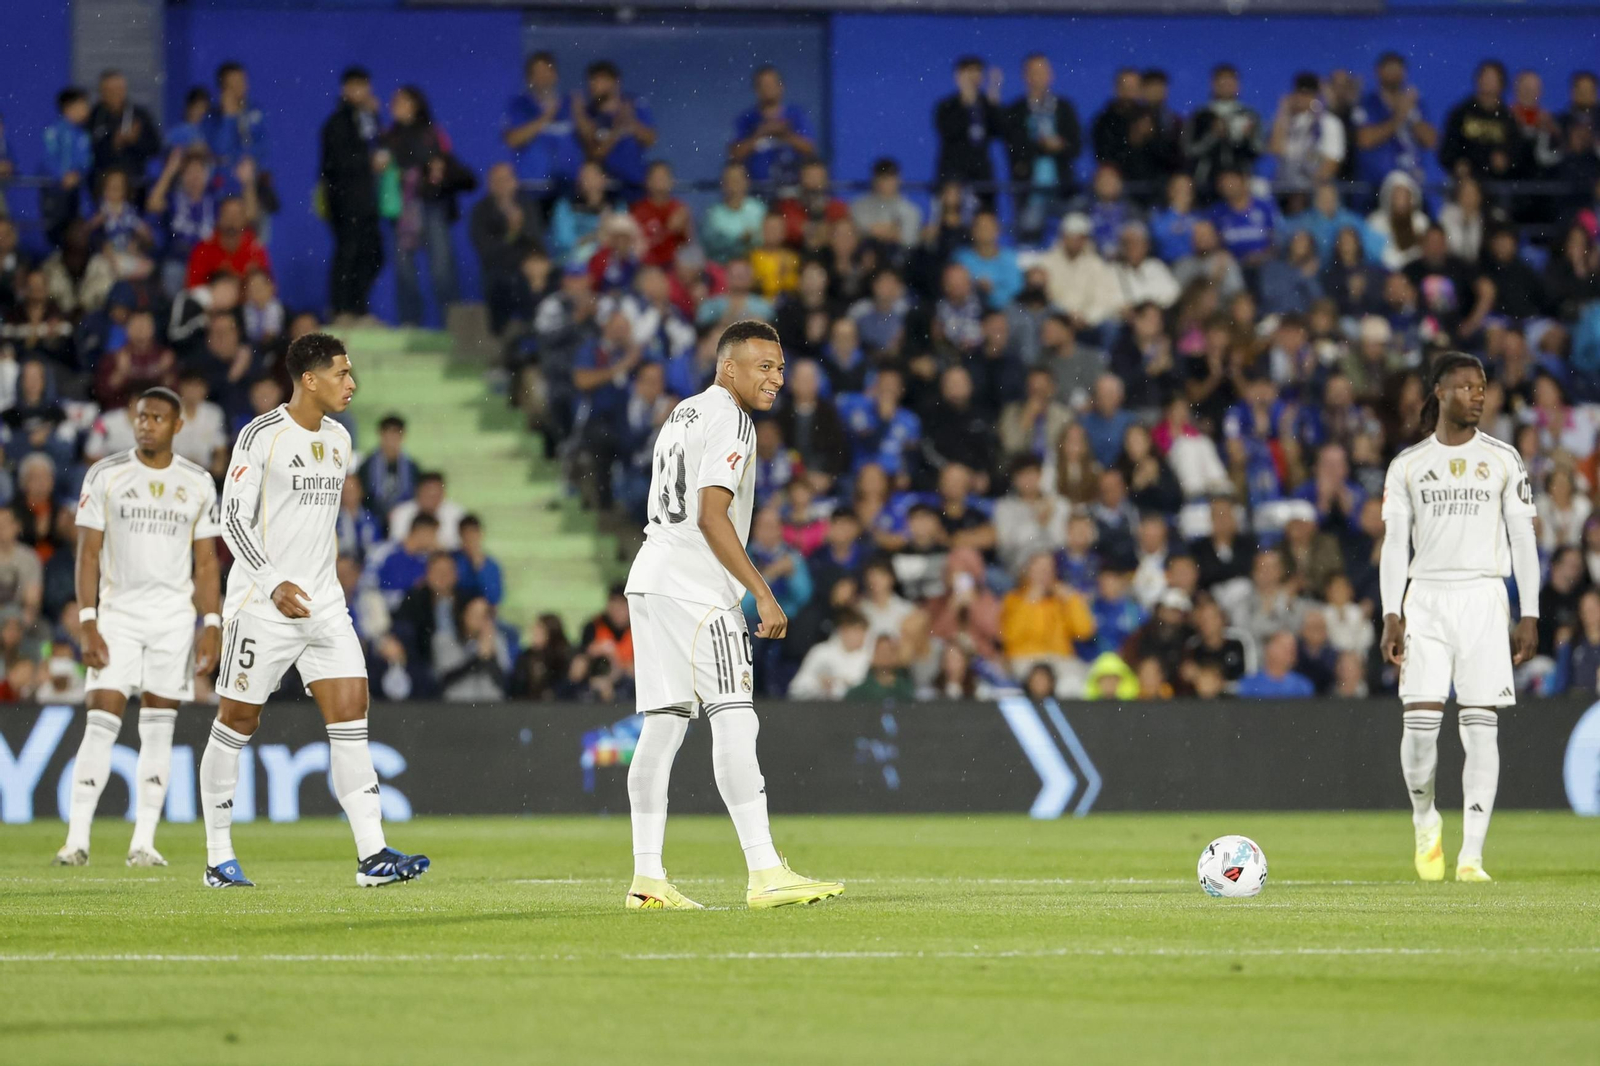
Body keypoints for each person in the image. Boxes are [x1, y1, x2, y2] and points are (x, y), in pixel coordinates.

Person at [621, 319, 842, 910]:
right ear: (728, 368)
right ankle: (766, 872)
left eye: (779, 366)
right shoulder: (732, 417)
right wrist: (760, 592)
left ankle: (647, 881)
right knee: (736, 719)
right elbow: (711, 515)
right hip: (695, 588)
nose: (776, 377)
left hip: (650, 577)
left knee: (663, 728)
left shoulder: (684, 411)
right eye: (762, 367)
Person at [203, 333, 429, 888]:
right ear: (308, 379)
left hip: (324, 605)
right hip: (263, 604)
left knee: (352, 714)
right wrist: (273, 581)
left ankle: (372, 856)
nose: (351, 384)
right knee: (237, 721)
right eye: (341, 374)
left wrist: (313, 586)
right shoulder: (261, 436)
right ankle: (216, 856)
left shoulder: (340, 440)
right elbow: (230, 520)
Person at [1379, 352, 1539, 885]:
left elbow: (1523, 541)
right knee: (1421, 731)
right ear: (1440, 392)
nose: (1479, 395)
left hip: (1484, 598)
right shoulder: (1407, 466)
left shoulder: (1503, 458)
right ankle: (1425, 820)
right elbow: (1395, 545)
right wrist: (1392, 611)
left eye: (1483, 386)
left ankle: (1471, 856)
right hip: (1425, 598)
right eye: (1467, 386)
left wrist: (1529, 612)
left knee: (1480, 730)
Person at [53, 387, 222, 869]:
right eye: (141, 416)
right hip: (118, 616)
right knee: (101, 721)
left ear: (177, 426)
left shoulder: (197, 482)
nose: (146, 424)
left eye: (157, 417)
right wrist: (88, 622)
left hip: (172, 620)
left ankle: (143, 842)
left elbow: (206, 564)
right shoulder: (106, 475)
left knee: (158, 729)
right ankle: (76, 840)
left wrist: (210, 623)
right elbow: (87, 552)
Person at [383, 85, 471, 326]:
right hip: (401, 211)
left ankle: (454, 325)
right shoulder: (388, 136)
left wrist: (435, 168)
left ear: (415, 104)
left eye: (401, 100)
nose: (394, 105)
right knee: (404, 272)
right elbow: (387, 168)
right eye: (394, 100)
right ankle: (410, 323)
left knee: (442, 269)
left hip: (432, 206)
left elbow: (445, 162)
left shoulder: (432, 133)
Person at [319, 68, 385, 322]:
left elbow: (377, 144)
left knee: (373, 253)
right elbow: (335, 163)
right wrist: (367, 161)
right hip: (344, 200)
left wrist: (375, 117)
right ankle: (340, 310)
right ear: (344, 90)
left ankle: (358, 308)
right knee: (348, 252)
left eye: (364, 86)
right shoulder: (336, 122)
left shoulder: (369, 118)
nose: (360, 92)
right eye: (355, 86)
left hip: (368, 201)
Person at [1004, 53, 1082, 242]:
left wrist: (1061, 146)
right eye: (1033, 71)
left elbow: (1077, 146)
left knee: (1074, 237)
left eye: (1043, 71)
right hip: (1030, 191)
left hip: (1063, 188)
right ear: (1025, 76)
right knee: (1029, 241)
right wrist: (1043, 146)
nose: (1038, 76)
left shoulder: (1064, 107)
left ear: (1051, 75)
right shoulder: (1016, 110)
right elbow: (1014, 148)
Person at [500, 52, 578, 204]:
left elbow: (588, 141)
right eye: (537, 73)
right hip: (533, 189)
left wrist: (581, 116)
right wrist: (546, 117)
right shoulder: (520, 106)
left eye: (546, 71)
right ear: (530, 78)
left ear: (555, 75)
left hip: (568, 188)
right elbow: (513, 140)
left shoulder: (571, 105)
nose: (543, 78)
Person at [1354, 52, 1438, 191]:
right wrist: (1399, 117)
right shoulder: (1368, 103)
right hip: (1375, 187)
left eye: (1398, 69)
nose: (1394, 73)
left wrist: (1411, 114)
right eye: (1389, 68)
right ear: (1378, 71)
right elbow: (1364, 140)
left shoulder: (1414, 104)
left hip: (1412, 184)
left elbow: (1431, 141)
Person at [573, 60, 656, 193]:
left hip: (635, 186)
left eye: (599, 80)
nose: (593, 86)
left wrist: (631, 122)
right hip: (607, 190)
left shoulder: (634, 105)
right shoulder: (590, 114)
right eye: (591, 81)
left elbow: (650, 140)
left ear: (614, 82)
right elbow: (596, 153)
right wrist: (617, 129)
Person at [729, 65, 816, 189]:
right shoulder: (747, 119)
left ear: (781, 87)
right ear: (756, 89)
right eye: (763, 85)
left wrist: (785, 134)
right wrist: (760, 133)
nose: (767, 89)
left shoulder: (796, 116)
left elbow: (810, 149)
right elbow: (735, 154)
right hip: (756, 190)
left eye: (771, 84)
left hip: (792, 190)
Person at [934, 56, 1004, 202]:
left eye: (977, 72)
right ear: (958, 76)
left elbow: (1000, 130)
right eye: (969, 73)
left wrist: (995, 97)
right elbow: (948, 131)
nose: (974, 78)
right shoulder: (946, 106)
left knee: (985, 219)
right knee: (951, 217)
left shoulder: (987, 104)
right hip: (953, 174)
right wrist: (966, 104)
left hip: (981, 174)